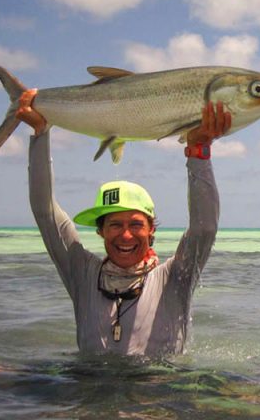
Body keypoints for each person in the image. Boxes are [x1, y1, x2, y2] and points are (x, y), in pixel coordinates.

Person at [16, 89, 231, 356]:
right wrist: (40, 133)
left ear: (151, 229)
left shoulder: (176, 276)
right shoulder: (81, 273)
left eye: (136, 224)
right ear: (101, 230)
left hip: (163, 391)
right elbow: (44, 211)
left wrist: (197, 151)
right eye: (115, 225)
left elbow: (205, 227)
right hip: (90, 386)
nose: (125, 235)